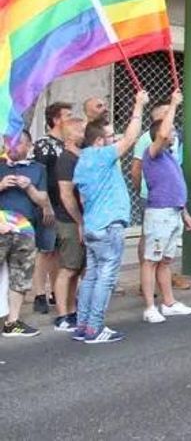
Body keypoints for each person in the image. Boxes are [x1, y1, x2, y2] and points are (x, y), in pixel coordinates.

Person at [73, 91, 147, 344]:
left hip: (93, 225)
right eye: (108, 137)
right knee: (105, 277)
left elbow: (82, 199)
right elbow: (130, 138)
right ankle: (94, 328)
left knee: (92, 276)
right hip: (108, 225)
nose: (113, 141)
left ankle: (83, 325)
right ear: (98, 141)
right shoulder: (101, 155)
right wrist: (138, 105)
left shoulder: (82, 160)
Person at [139, 91, 191, 323]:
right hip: (159, 213)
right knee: (151, 260)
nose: (173, 133)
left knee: (165, 261)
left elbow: (174, 185)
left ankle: (169, 302)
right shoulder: (152, 153)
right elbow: (163, 133)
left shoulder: (169, 156)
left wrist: (184, 212)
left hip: (173, 212)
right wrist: (173, 104)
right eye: (171, 131)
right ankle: (149, 307)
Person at [130, 97, 190, 292]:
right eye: (166, 113)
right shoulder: (147, 140)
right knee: (150, 242)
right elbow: (136, 169)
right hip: (154, 198)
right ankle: (146, 281)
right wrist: (141, 190)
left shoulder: (174, 139)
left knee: (166, 247)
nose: (170, 116)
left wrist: (183, 207)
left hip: (172, 200)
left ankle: (164, 280)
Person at [0, 130, 52, 337]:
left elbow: (42, 200)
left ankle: (12, 322)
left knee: (21, 275)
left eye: (18, 143)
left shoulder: (38, 169)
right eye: (9, 142)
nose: (13, 147)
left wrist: (29, 187)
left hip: (25, 227)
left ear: (29, 146)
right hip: (1, 224)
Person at [30, 101, 73, 315]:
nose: (71, 120)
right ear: (56, 119)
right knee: (45, 250)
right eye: (68, 116)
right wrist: (45, 205)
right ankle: (39, 294)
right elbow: (39, 177)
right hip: (48, 204)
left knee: (57, 251)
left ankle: (56, 291)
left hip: (64, 205)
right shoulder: (43, 145)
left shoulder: (68, 144)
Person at [52, 116, 86, 331]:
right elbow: (66, 195)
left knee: (76, 268)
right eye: (81, 131)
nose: (84, 134)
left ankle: (72, 309)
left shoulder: (77, 156)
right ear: (72, 136)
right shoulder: (66, 160)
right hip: (68, 221)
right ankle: (62, 315)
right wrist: (79, 221)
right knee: (67, 268)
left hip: (77, 220)